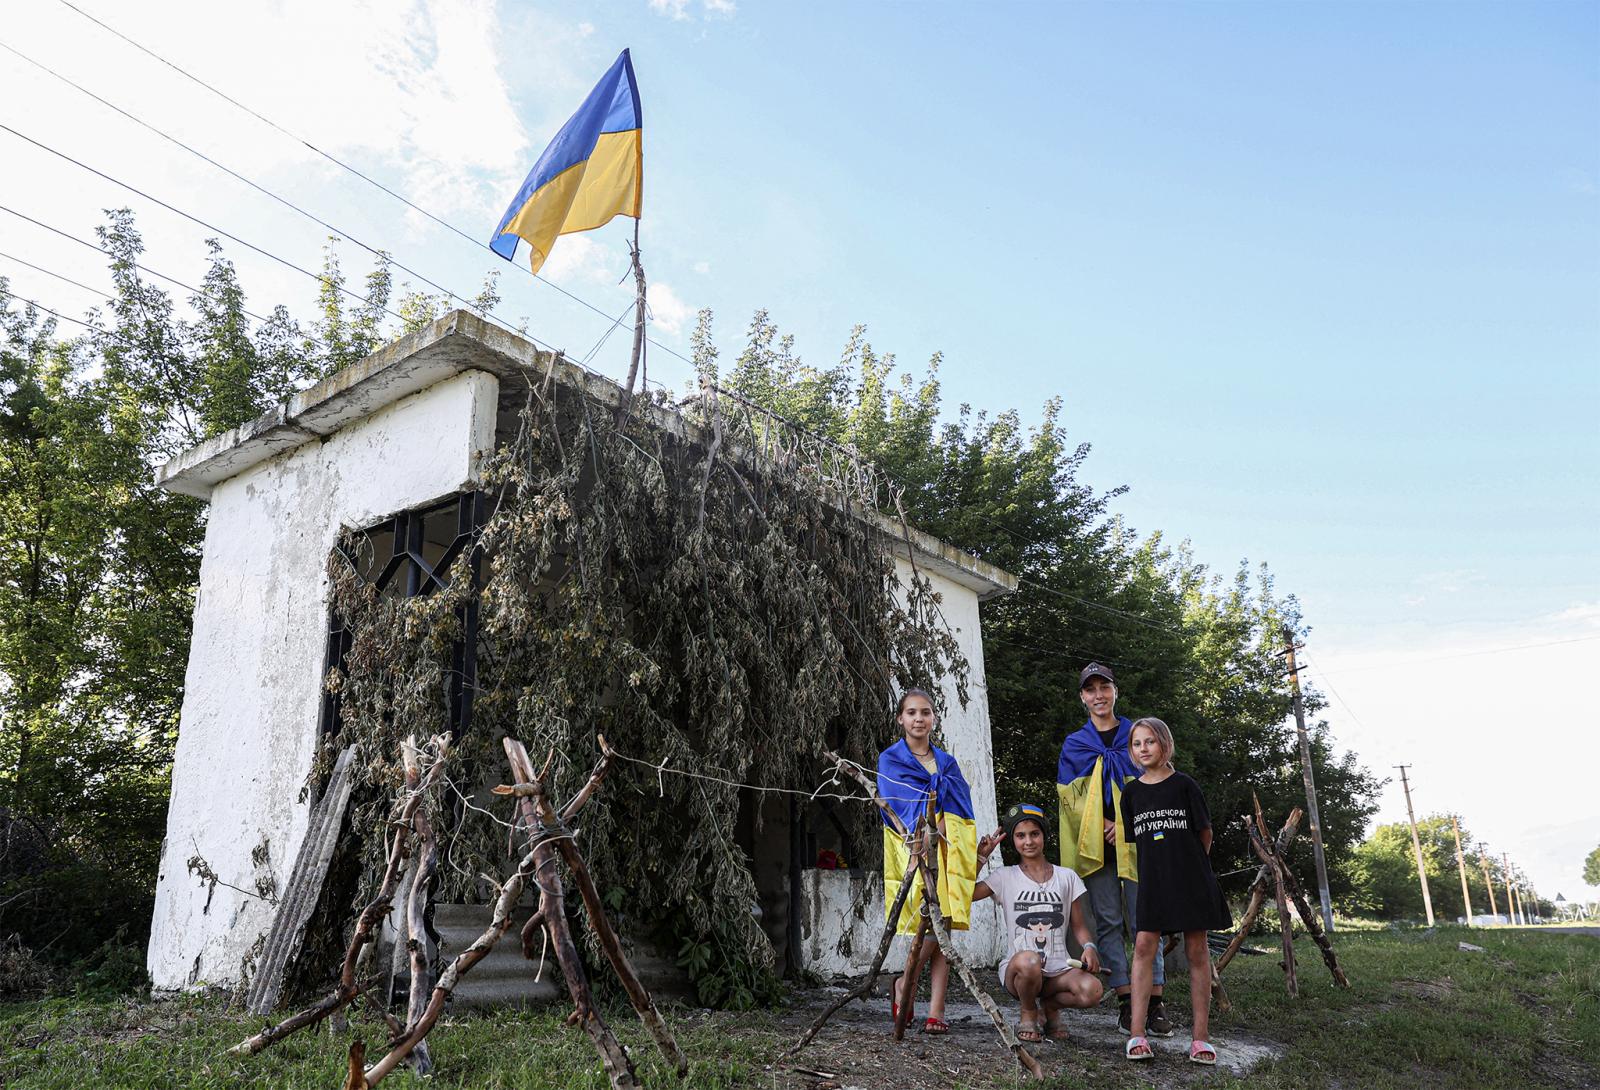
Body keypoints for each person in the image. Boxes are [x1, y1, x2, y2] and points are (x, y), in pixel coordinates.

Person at [1056, 662, 1170, 1035]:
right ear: (1082, 697)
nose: (1098, 695)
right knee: (1108, 921)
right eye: (1091, 689)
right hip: (1097, 843)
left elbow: (1157, 784)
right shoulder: (1075, 744)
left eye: (1104, 687)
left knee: (1146, 920)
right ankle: (1125, 1001)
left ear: (1115, 691)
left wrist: (1125, 827)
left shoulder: (1138, 736)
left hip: (1139, 841)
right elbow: (1069, 800)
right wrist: (1104, 827)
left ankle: (1154, 1004)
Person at [1119, 717, 1232, 1065]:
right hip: (1152, 883)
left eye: (1150, 741)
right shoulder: (1131, 793)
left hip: (1190, 880)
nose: (1143, 749)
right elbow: (1138, 843)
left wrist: (1188, 868)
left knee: (1197, 950)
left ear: (1165, 744)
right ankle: (1137, 1033)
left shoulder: (1185, 786)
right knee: (1142, 946)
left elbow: (1205, 834)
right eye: (1137, 744)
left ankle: (1200, 1038)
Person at [877, 687, 978, 1036]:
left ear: (934, 718)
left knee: (943, 924)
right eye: (912, 713)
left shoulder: (946, 762)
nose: (919, 719)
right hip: (914, 847)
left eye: (925, 712)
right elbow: (896, 805)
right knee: (929, 923)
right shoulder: (892, 759)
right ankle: (904, 984)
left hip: (947, 850)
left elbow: (961, 803)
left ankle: (936, 1010)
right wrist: (927, 827)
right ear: (901, 718)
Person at [974, 802, 1104, 1043]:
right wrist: (982, 857)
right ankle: (1028, 1011)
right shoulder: (1005, 877)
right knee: (1030, 959)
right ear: (1013, 840)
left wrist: (1089, 947)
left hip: (1059, 971)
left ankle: (1049, 1007)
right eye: (1020, 836)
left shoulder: (1067, 877)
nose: (1029, 841)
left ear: (1044, 836)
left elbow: (1079, 926)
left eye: (1034, 834)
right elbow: (966, 894)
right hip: (1020, 970)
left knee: (1092, 991)